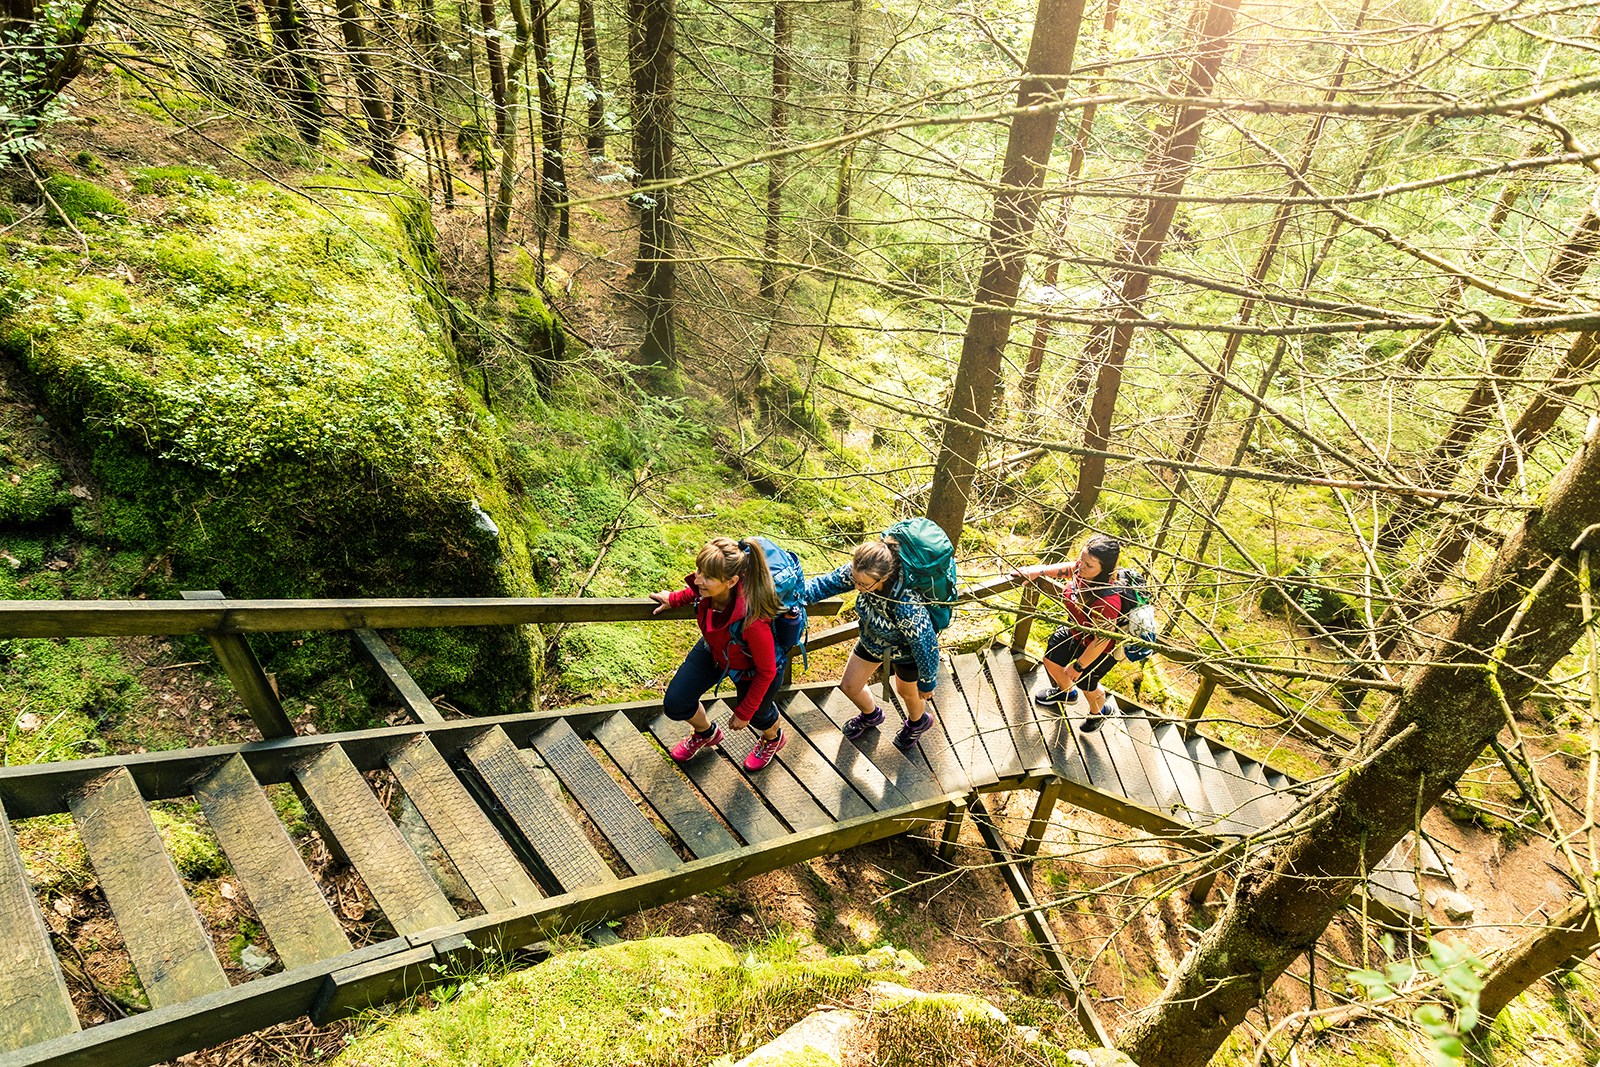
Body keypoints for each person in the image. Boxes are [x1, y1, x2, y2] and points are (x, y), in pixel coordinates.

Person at [650, 538, 787, 770]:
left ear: (732, 581)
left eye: (708, 577)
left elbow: (767, 670)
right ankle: (706, 733)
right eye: (699, 571)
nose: (698, 580)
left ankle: (773, 738)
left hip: (754, 670)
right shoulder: (707, 591)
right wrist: (673, 599)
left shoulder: (753, 620)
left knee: (758, 715)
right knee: (676, 702)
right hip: (715, 651)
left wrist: (744, 713)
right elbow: (697, 593)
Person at [802, 538, 940, 751]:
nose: (856, 587)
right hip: (872, 640)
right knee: (849, 686)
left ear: (883, 578)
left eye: (863, 585)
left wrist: (927, 681)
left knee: (908, 692)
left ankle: (917, 722)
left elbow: (925, 643)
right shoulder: (861, 570)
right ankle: (871, 715)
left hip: (906, 652)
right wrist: (791, 596)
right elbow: (826, 584)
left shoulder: (906, 604)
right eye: (855, 580)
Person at [1011, 533, 1123, 731]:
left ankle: (1099, 712)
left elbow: (1101, 641)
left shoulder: (1107, 601)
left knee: (1087, 684)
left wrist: (1078, 667)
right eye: (1082, 559)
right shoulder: (1083, 572)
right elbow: (1071, 568)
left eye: (1089, 565)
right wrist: (1039, 570)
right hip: (1078, 632)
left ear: (1103, 571)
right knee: (1051, 659)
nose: (1081, 566)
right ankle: (1066, 694)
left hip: (1100, 650)